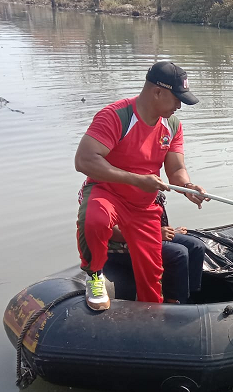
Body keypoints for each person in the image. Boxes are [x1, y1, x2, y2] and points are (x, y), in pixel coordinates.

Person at [75, 61, 206, 311]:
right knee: (95, 219)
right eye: (176, 99)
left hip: (143, 206)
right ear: (157, 92)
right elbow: (84, 160)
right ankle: (94, 275)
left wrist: (188, 187)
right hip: (108, 192)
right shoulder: (116, 116)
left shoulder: (172, 126)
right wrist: (137, 179)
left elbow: (175, 170)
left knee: (151, 276)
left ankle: (153, 316)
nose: (179, 106)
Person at [104, 192, 206, 303]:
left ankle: (190, 296)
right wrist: (155, 234)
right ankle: (174, 302)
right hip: (125, 243)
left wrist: (168, 230)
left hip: (149, 233)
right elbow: (112, 231)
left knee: (196, 246)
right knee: (179, 253)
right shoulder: (108, 192)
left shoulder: (140, 188)